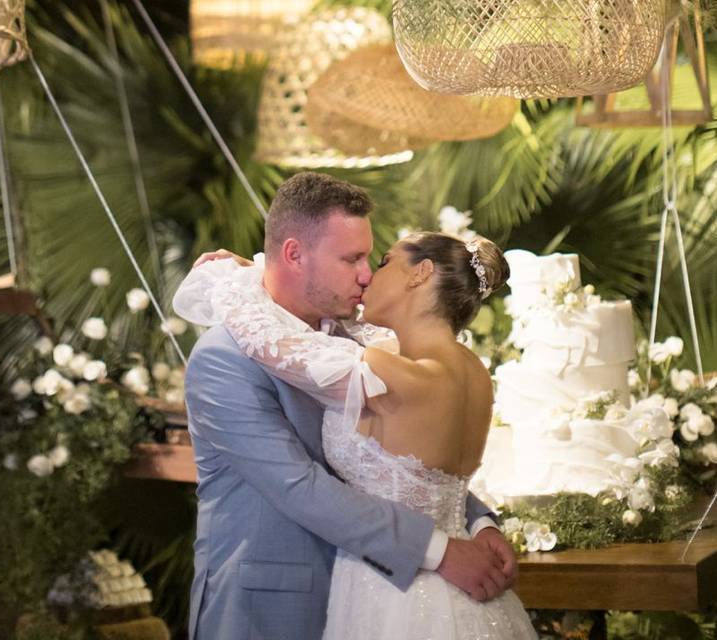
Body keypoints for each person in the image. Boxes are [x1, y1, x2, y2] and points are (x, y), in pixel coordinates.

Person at [174, 172, 530, 640]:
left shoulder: (356, 342)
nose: (365, 274)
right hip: (273, 609)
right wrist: (441, 550)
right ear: (294, 255)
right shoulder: (224, 360)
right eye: (352, 259)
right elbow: (301, 487)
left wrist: (476, 520)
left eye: (371, 258)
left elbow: (404, 467)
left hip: (374, 600)